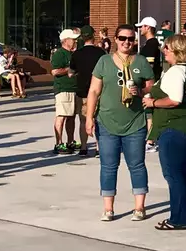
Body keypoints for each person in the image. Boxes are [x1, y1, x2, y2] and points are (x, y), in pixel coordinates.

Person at [84, 25, 151, 222]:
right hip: (106, 121)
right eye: (122, 38)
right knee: (108, 165)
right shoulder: (104, 61)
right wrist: (89, 118)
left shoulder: (140, 61)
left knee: (137, 165)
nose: (126, 42)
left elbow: (150, 86)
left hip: (134, 121)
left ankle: (139, 207)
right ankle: (108, 208)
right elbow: (94, 91)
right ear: (115, 39)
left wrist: (140, 91)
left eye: (130, 39)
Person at [147, 34, 186, 230]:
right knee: (182, 172)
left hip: (175, 128)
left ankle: (179, 219)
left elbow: (174, 100)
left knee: (173, 174)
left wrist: (152, 102)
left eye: (167, 47)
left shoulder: (175, 72)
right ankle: (183, 216)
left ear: (176, 50)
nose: (164, 50)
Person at [69, 27, 106, 158]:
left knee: (83, 120)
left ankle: (84, 147)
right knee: (98, 120)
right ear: (93, 36)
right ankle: (98, 148)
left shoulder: (76, 54)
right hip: (99, 91)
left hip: (82, 91)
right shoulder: (101, 53)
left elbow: (70, 72)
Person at [50, 29, 80, 154]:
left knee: (71, 117)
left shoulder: (74, 54)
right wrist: (69, 69)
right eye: (73, 39)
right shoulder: (59, 54)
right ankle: (58, 143)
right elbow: (55, 71)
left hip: (74, 89)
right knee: (61, 116)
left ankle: (70, 141)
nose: (75, 41)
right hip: (63, 89)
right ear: (66, 40)